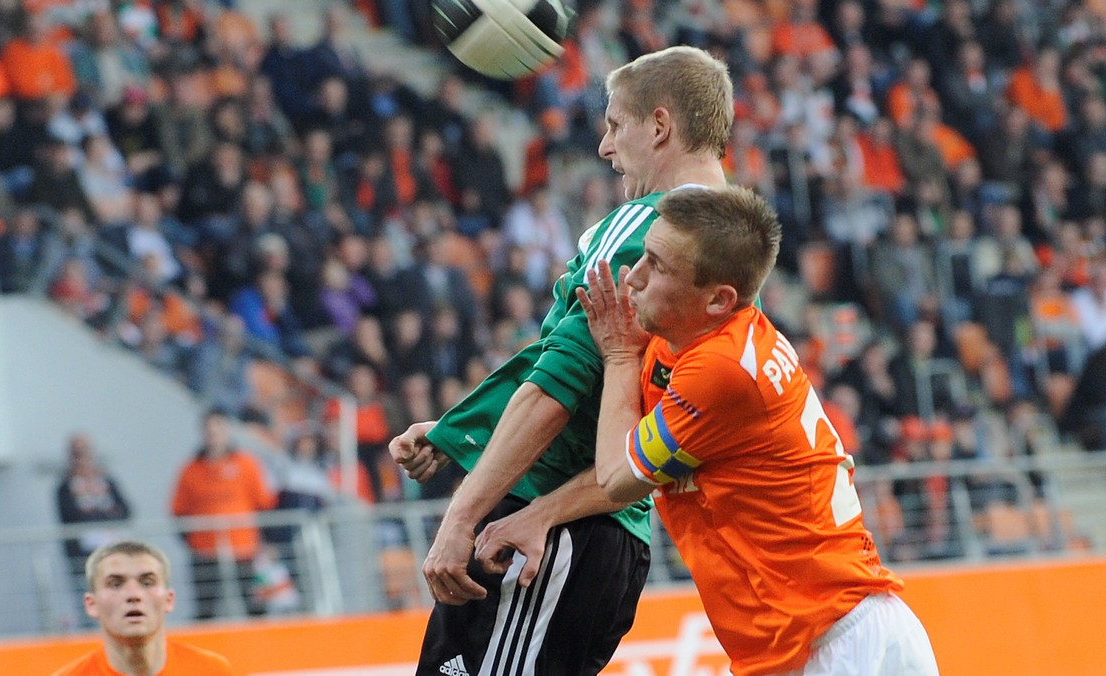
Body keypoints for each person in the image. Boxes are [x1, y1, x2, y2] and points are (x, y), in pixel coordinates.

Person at [388, 45, 734, 675]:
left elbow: (559, 382)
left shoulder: (649, 228)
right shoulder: (732, 250)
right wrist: (459, 428)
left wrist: (461, 516)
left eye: (614, 125)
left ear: (659, 127)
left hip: (545, 533)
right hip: (600, 531)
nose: (605, 148)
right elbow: (599, 389)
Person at [574, 186, 938, 674]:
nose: (633, 277)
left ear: (718, 300)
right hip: (805, 640)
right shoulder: (685, 348)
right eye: (643, 256)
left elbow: (617, 479)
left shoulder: (720, 370)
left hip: (832, 641)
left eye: (658, 266)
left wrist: (619, 355)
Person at [50, 540, 234, 676]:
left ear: (169, 600)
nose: (133, 595)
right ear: (91, 604)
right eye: (115, 584)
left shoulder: (212, 671)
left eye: (147, 582)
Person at [170, 409, 277, 620]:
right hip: (205, 551)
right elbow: (179, 510)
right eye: (209, 429)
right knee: (205, 610)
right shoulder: (191, 469)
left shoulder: (246, 464)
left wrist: (266, 542)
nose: (213, 434)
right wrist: (193, 543)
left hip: (244, 549)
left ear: (227, 430)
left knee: (255, 605)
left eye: (218, 428)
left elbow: (264, 503)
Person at [56, 434, 133, 609]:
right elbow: (73, 517)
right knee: (92, 603)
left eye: (85, 451)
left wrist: (95, 513)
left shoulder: (107, 480)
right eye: (77, 452)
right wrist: (105, 514)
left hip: (115, 551)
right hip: (84, 556)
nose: (82, 457)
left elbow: (126, 511)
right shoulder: (65, 487)